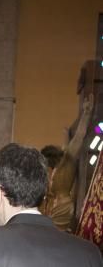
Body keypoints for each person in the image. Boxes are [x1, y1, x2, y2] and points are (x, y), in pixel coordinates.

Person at [41, 94, 93, 232]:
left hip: (64, 206)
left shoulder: (67, 159)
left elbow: (79, 137)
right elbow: (66, 143)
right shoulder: (54, 168)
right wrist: (65, 134)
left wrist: (86, 114)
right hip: (52, 207)